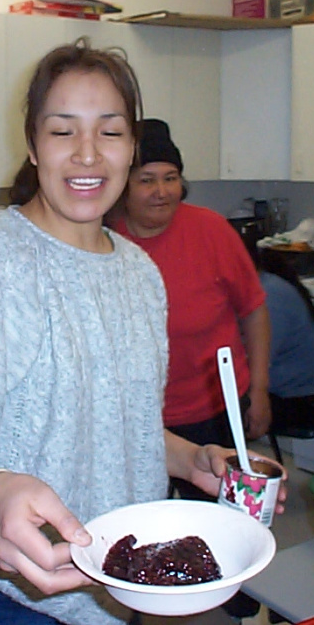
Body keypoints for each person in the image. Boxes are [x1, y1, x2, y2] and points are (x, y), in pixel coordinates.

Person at [0, 40, 287, 625]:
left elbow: (108, 422)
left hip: (101, 580)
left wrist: (192, 460)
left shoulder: (137, 271)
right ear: (32, 145)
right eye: (63, 131)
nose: (88, 155)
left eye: (109, 132)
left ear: (131, 147)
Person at [110, 119, 273, 502]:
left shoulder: (211, 231)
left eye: (171, 178)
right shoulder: (106, 241)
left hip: (215, 409)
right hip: (139, 416)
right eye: (146, 179)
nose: (162, 191)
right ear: (122, 185)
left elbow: (254, 310)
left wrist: (262, 390)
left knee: (220, 525)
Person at [258, 247, 314, 430]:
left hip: (301, 401)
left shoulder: (270, 294)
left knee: (211, 415)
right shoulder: (268, 284)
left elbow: (257, 359)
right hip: (284, 392)